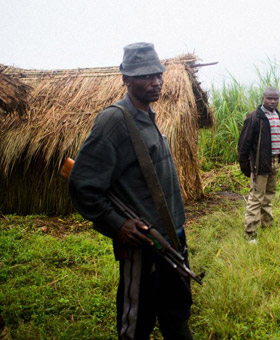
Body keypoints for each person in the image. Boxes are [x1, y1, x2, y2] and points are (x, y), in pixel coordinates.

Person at [69, 42, 193, 340]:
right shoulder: (115, 121)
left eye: (158, 74)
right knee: (135, 324)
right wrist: (118, 224)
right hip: (145, 246)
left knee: (176, 314)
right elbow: (82, 184)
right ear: (125, 79)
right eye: (145, 76)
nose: (156, 82)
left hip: (173, 238)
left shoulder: (147, 115)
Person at [238, 87, 280, 242]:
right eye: (269, 98)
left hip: (274, 161)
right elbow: (244, 144)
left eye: (276, 99)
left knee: (268, 196)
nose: (273, 101)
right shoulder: (255, 118)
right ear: (263, 98)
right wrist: (246, 166)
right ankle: (250, 234)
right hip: (260, 165)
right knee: (256, 197)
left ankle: (267, 225)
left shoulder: (278, 117)